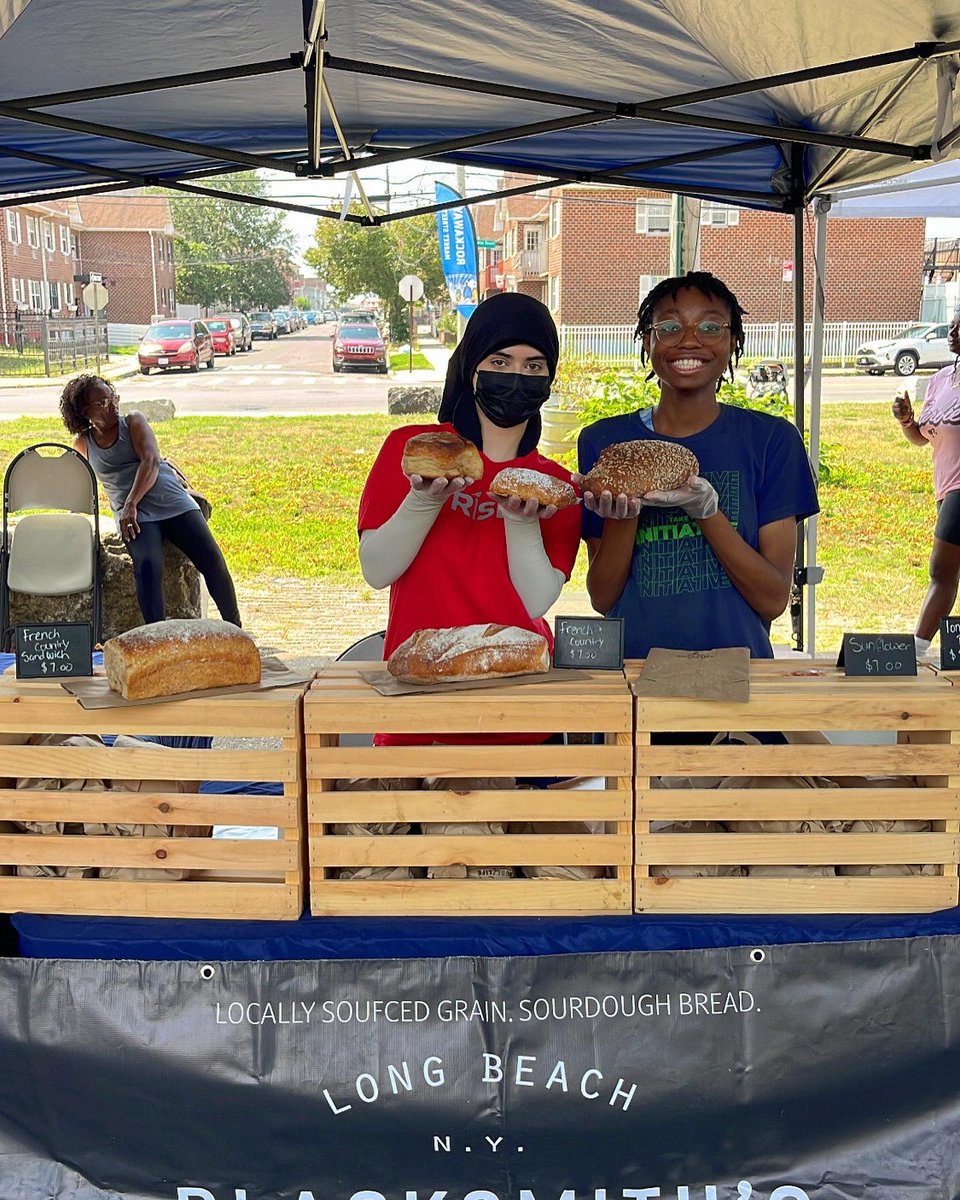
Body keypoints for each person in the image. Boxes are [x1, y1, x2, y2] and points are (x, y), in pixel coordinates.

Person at [358, 290, 581, 741]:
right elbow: (376, 570)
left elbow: (536, 600)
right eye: (500, 362)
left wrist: (521, 522)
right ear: (472, 366)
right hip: (417, 703)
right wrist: (423, 502)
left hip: (520, 711)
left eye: (534, 366)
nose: (517, 376)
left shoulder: (553, 486)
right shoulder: (415, 451)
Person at [576, 271, 819, 659]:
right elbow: (603, 597)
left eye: (710, 326)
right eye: (669, 326)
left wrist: (707, 512)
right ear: (647, 341)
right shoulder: (606, 442)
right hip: (638, 677)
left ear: (733, 341)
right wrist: (626, 511)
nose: (689, 340)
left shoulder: (771, 440)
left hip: (738, 680)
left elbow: (773, 599)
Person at [59, 374, 241, 628]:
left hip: (169, 500)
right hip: (135, 516)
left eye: (112, 398)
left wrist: (130, 503)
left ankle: (235, 629)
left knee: (212, 559)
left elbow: (151, 461)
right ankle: (158, 638)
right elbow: (79, 482)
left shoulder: (133, 421)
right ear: (83, 411)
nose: (112, 405)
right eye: (102, 403)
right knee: (147, 566)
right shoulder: (83, 443)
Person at [891, 312, 960, 658]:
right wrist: (907, 420)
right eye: (954, 324)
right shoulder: (941, 379)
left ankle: (915, 651)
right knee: (951, 572)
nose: (954, 332)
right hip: (945, 486)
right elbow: (923, 438)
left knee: (941, 569)